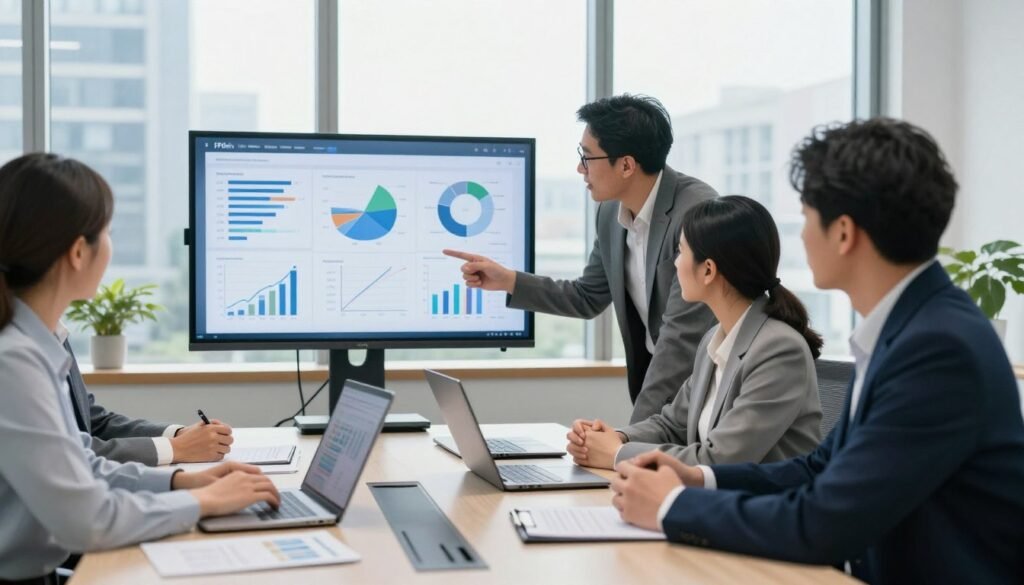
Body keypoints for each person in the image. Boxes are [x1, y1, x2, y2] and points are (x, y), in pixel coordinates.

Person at [610, 119, 1024, 584]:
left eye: (806, 217)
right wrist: (699, 480)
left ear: (843, 233)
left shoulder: (937, 347)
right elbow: (820, 468)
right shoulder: (910, 326)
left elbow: (825, 522)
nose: (802, 237)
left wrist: (672, 506)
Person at [0, 153, 281, 584]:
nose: (111, 246)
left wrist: (187, 484)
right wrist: (205, 503)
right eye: (108, 233)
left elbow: (82, 465)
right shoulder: (13, 361)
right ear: (78, 252)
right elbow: (88, 520)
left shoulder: (32, 348)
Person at [445, 94, 717, 423]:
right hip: (660, 399)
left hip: (705, 394)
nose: (579, 168)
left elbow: (680, 340)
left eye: (587, 157)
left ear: (627, 165)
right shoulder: (609, 212)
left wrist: (627, 438)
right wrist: (509, 280)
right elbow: (588, 296)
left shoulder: (696, 212)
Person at [566, 196, 823, 470]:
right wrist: (615, 437)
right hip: (718, 504)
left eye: (680, 251)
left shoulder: (779, 350)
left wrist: (617, 454)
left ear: (708, 270)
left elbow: (720, 460)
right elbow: (671, 425)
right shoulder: (715, 340)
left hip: (764, 509)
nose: (675, 264)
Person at [63, 337, 234, 465]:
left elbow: (95, 422)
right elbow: (68, 453)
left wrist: (178, 435)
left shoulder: (58, 335)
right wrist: (176, 448)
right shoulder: (38, 347)